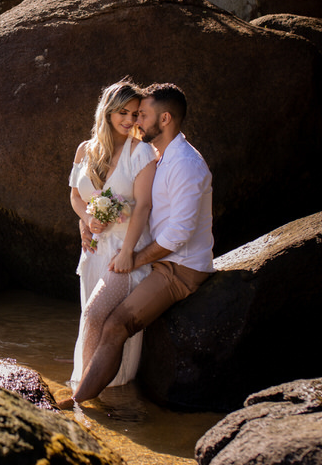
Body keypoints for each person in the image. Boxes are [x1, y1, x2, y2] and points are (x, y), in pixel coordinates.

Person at [58, 83, 215, 409]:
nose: (136, 121)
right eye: (130, 113)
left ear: (165, 119)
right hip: (141, 254)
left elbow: (177, 234)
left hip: (178, 266)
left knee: (109, 321)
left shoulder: (184, 164)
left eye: (141, 114)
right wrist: (85, 221)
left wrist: (133, 256)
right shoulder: (158, 154)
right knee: (99, 317)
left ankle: (80, 401)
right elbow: (109, 198)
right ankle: (88, 394)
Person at [67, 79, 157, 390]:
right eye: (123, 112)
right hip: (93, 250)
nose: (129, 120)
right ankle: (97, 391)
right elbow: (76, 197)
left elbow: (144, 205)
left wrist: (128, 252)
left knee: (95, 316)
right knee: (91, 319)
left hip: (124, 251)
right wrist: (86, 220)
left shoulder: (141, 152)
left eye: (135, 114)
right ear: (107, 112)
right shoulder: (85, 149)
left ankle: (84, 395)